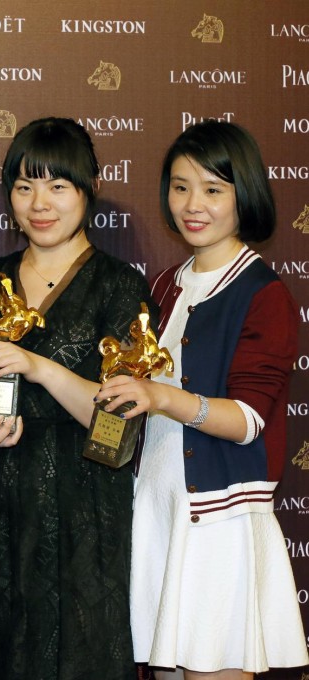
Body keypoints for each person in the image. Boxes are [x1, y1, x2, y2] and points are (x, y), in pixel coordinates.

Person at [97, 121, 309, 679]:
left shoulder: (263, 295)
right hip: (159, 513)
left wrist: (162, 397)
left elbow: (249, 420)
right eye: (180, 186)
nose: (194, 204)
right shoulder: (165, 284)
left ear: (246, 196)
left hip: (219, 524)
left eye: (214, 190)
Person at [0, 118, 151, 680]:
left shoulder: (118, 287)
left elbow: (119, 424)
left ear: (90, 188)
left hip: (82, 507)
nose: (40, 203)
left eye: (58, 186)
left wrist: (38, 367)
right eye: (24, 186)